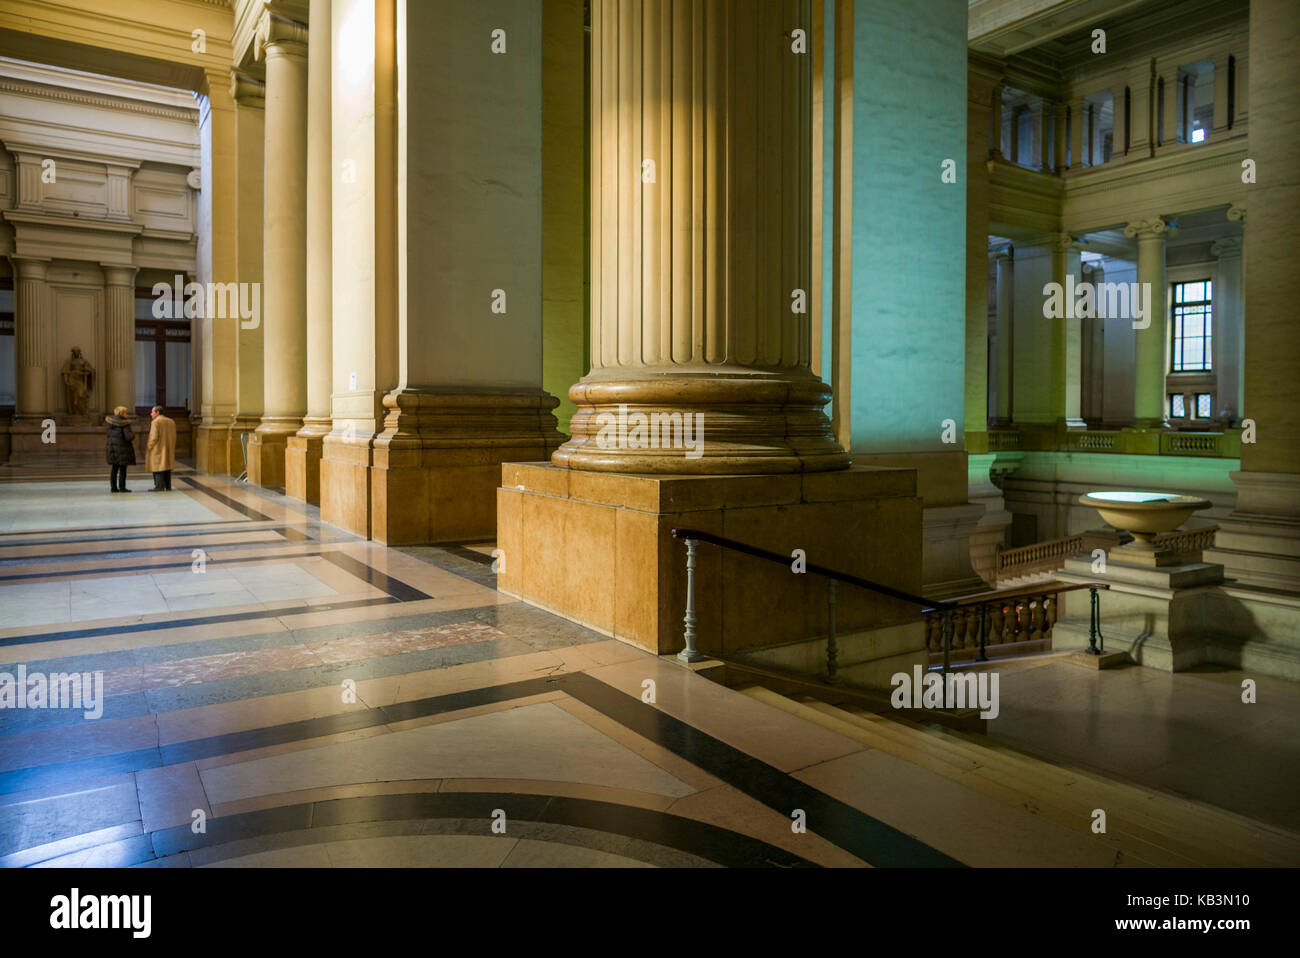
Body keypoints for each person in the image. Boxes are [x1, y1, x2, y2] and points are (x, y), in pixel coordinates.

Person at [105, 405, 135, 493]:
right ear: (121, 413)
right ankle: (122, 487)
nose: (127, 414)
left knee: (114, 469)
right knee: (123, 469)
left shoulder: (110, 423)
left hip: (112, 449)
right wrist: (133, 434)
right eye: (125, 412)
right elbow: (128, 437)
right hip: (123, 449)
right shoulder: (124, 423)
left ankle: (113, 488)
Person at [146, 405, 177, 491]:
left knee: (158, 467)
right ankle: (168, 486)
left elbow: (154, 436)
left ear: (157, 412)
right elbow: (174, 436)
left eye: (152, 412)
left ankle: (159, 486)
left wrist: (149, 446)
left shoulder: (156, 422)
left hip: (158, 448)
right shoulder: (171, 421)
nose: (151, 414)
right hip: (168, 448)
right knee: (167, 466)